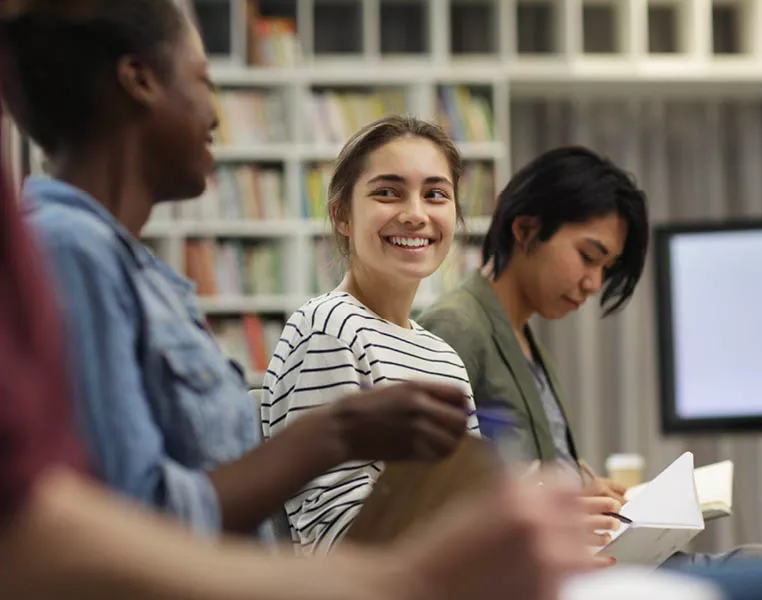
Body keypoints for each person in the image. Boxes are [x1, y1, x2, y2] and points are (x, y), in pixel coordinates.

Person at [1, 0, 471, 540]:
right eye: (203, 80)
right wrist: (334, 434)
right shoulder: (69, 250)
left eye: (437, 194)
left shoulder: (141, 276)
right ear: (140, 81)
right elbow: (131, 525)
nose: (217, 114)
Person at [262, 115, 482, 555]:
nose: (416, 215)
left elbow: (472, 502)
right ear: (341, 215)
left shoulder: (442, 356)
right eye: (387, 192)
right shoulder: (328, 329)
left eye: (435, 194)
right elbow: (334, 540)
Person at [417, 146, 649, 500]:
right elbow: (429, 485)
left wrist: (580, 482)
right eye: (588, 257)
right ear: (525, 230)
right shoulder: (456, 327)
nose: (594, 283)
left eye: (606, 267)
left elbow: (521, 467)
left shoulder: (522, 334)